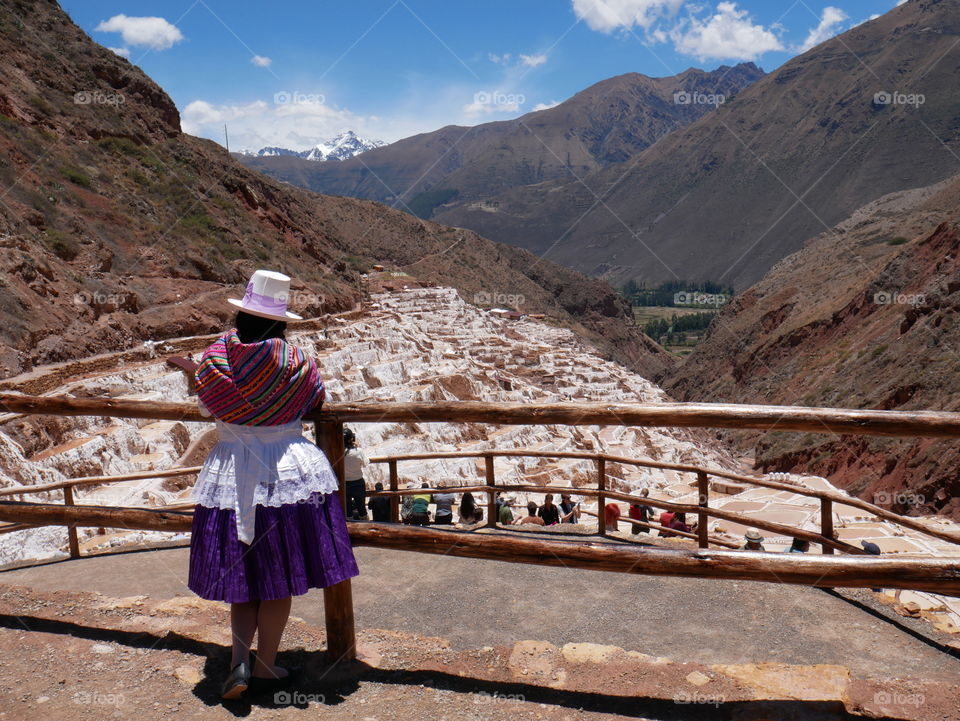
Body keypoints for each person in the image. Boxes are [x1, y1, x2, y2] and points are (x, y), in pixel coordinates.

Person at [188, 269, 359, 700]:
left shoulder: (212, 360)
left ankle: (237, 661)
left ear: (241, 315)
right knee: (276, 577)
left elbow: (209, 399)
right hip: (285, 474)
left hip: (230, 475)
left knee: (242, 577)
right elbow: (315, 400)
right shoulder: (296, 362)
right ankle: (266, 666)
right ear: (281, 322)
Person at [342, 428, 367, 520]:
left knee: (347, 510)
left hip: (344, 484)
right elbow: (365, 464)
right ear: (352, 439)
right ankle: (365, 528)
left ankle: (349, 530)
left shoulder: (338, 451)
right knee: (361, 508)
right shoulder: (358, 451)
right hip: (358, 483)